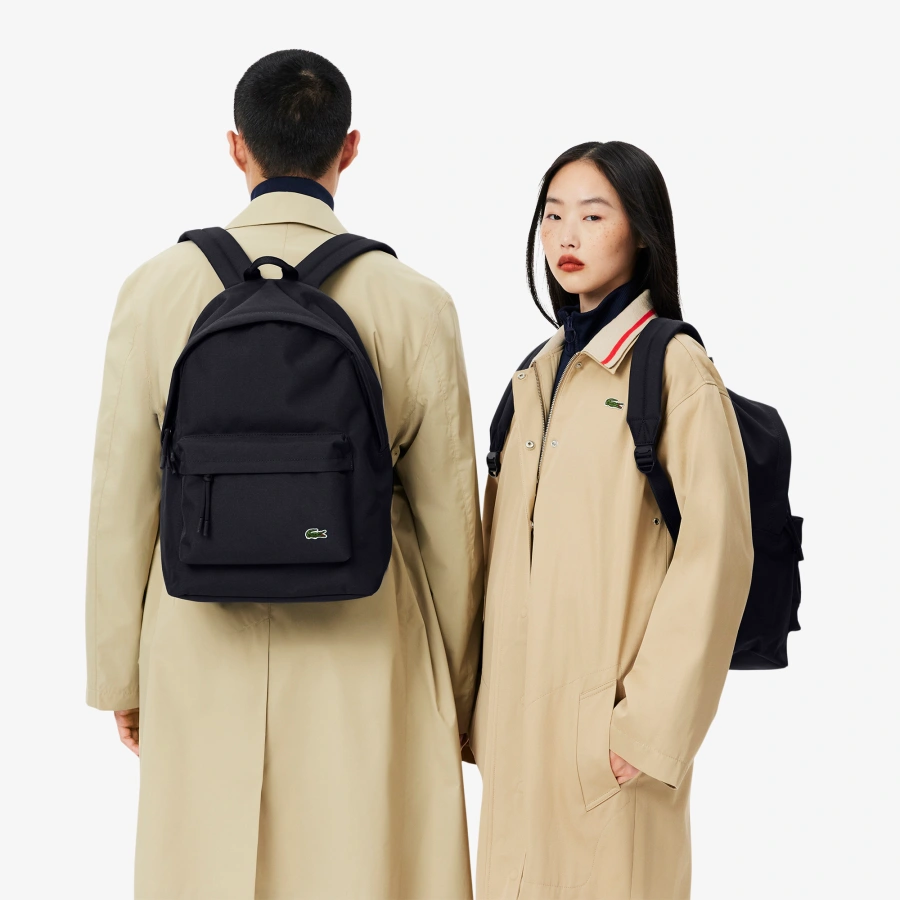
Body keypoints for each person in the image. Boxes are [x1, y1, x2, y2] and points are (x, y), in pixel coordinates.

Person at [85, 49, 483, 900]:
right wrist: (460, 685)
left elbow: (122, 496)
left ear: (237, 147)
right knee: (359, 865)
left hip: (200, 636)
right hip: (367, 637)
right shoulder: (415, 301)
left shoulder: (154, 290)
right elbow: (451, 516)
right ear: (350, 148)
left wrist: (122, 673)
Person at [468, 142, 754, 899]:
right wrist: (480, 711)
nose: (567, 235)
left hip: (610, 743)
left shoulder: (675, 370)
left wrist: (650, 726)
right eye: (553, 215)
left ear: (641, 233)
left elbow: (718, 557)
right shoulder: (533, 377)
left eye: (593, 217)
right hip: (518, 739)